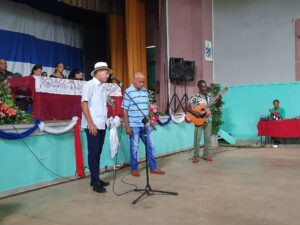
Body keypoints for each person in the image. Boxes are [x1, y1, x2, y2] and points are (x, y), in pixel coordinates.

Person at [122, 72, 165, 177]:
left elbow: (148, 106)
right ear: (134, 81)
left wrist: (151, 119)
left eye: (143, 82)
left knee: (151, 146)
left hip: (145, 124)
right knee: (134, 148)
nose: (142, 84)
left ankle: (153, 168)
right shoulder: (128, 92)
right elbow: (125, 110)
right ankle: (134, 169)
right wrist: (127, 126)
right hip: (134, 125)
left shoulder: (145, 91)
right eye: (140, 81)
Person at [81, 62, 112, 193]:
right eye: (106, 72)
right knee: (93, 152)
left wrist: (106, 120)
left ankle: (96, 178)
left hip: (102, 124)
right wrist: (91, 123)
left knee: (98, 152)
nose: (108, 75)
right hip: (92, 125)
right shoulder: (89, 85)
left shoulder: (104, 87)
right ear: (98, 72)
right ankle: (95, 182)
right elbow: (84, 104)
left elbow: (102, 106)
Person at [186, 80, 221, 164]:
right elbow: (187, 106)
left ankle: (206, 155)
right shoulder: (195, 96)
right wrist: (195, 113)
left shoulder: (210, 96)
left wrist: (219, 99)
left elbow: (217, 105)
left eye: (205, 86)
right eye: (203, 86)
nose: (205, 88)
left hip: (208, 120)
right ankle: (196, 156)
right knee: (197, 139)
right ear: (199, 87)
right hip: (199, 120)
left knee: (207, 138)